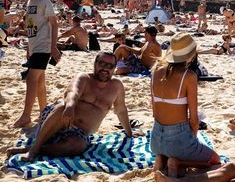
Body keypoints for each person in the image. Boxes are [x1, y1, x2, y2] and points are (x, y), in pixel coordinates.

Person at [6, 52, 142, 162]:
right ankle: (34, 149)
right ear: (95, 64)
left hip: (79, 133)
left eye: (110, 65)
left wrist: (129, 132)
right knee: (62, 107)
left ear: (114, 68)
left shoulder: (116, 87)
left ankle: (35, 149)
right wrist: (70, 106)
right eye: (101, 63)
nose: (105, 68)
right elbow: (72, 92)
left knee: (78, 146)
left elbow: (121, 110)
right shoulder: (84, 78)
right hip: (58, 120)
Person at [150, 33, 220, 178]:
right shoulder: (188, 76)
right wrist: (192, 141)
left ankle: (161, 158)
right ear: (191, 55)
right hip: (177, 139)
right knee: (215, 159)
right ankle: (177, 162)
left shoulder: (155, 71)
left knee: (172, 149)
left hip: (156, 139)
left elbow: (154, 111)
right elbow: (193, 120)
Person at [9, 0, 61, 128]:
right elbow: (31, 27)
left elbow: (54, 24)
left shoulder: (44, 1)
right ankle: (44, 112)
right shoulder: (30, 3)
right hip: (35, 47)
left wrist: (53, 47)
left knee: (31, 80)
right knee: (39, 82)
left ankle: (26, 116)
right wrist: (28, 49)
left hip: (44, 47)